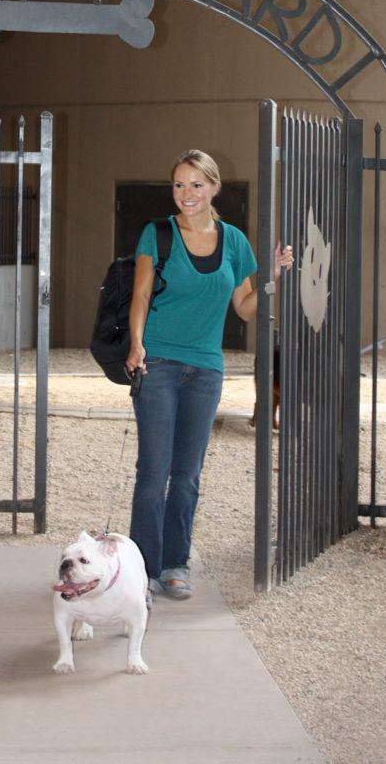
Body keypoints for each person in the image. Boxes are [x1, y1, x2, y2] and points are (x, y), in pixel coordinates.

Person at [125, 149, 293, 604]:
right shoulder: (157, 233)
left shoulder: (235, 242)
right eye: (179, 184)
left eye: (196, 184)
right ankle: (141, 570)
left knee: (187, 474)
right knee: (153, 470)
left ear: (215, 187)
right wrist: (137, 345)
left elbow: (244, 307)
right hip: (157, 364)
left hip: (205, 370)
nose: (187, 194)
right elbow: (140, 296)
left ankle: (175, 564)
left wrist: (273, 277)